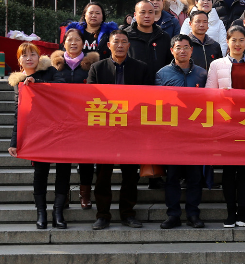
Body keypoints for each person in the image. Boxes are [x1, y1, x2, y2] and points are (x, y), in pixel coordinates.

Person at [88, 31, 154, 229]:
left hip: (132, 129)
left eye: (124, 42)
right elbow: (90, 97)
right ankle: (102, 215)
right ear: (109, 45)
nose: (120, 45)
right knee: (102, 175)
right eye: (116, 42)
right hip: (105, 129)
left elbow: (148, 99)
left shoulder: (141, 68)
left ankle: (127, 213)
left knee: (130, 174)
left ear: (129, 45)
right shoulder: (97, 68)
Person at [206, 26, 245, 228]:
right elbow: (208, 94)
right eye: (234, 40)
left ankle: (243, 213)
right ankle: (231, 214)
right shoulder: (216, 65)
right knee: (229, 170)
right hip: (226, 123)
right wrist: (222, 94)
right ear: (227, 42)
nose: (238, 44)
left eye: (241, 40)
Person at [9, 43, 64, 229]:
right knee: (40, 173)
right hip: (37, 133)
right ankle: (41, 213)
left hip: (59, 130)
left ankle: (58, 213)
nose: (29, 58)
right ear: (19, 60)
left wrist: (38, 84)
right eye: (25, 56)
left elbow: (63, 87)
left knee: (63, 172)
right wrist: (14, 141)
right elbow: (19, 113)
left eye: (33, 54)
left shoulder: (49, 71)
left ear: (39, 56)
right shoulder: (18, 82)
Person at [155, 35, 208, 229]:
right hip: (172, 135)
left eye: (186, 47)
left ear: (192, 50)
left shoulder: (202, 74)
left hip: (195, 134)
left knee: (195, 177)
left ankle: (193, 214)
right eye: (179, 47)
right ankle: (173, 214)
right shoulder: (162, 74)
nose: (183, 51)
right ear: (172, 50)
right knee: (172, 178)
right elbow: (158, 104)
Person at [51, 29, 100, 209]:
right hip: (61, 121)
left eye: (77, 40)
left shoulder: (93, 66)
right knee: (62, 161)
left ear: (83, 43)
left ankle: (84, 195)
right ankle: (61, 196)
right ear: (63, 43)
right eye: (69, 40)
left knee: (86, 160)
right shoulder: (53, 66)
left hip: (85, 120)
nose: (73, 43)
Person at [122, 0, 173, 81]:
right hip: (132, 86)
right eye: (142, 12)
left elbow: (170, 64)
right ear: (135, 15)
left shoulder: (163, 37)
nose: (147, 16)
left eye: (150, 12)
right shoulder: (125, 36)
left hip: (159, 86)